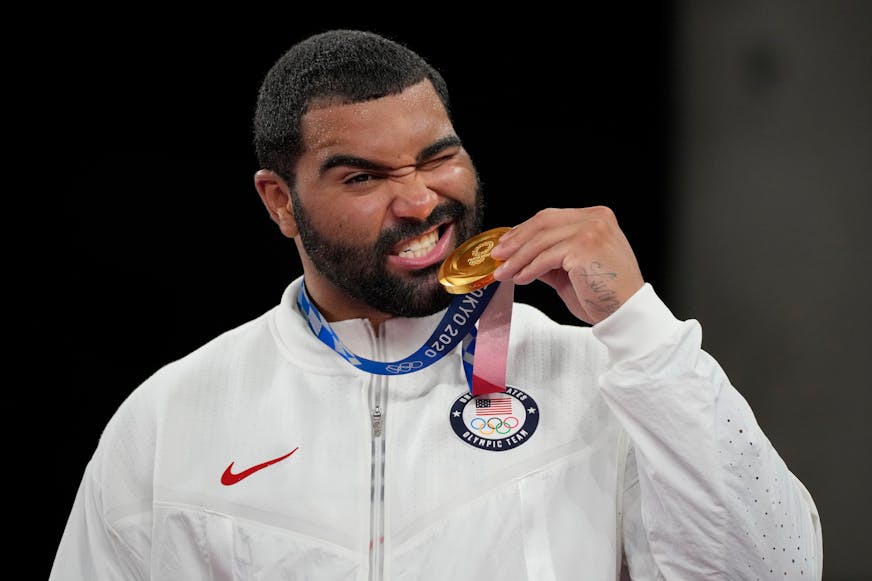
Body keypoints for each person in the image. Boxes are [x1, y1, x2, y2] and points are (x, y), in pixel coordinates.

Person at [50, 29, 823, 580]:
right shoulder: (171, 418)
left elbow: (775, 569)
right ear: (280, 202)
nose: (420, 199)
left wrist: (639, 327)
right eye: (363, 178)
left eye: (439, 157)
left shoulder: (602, 377)